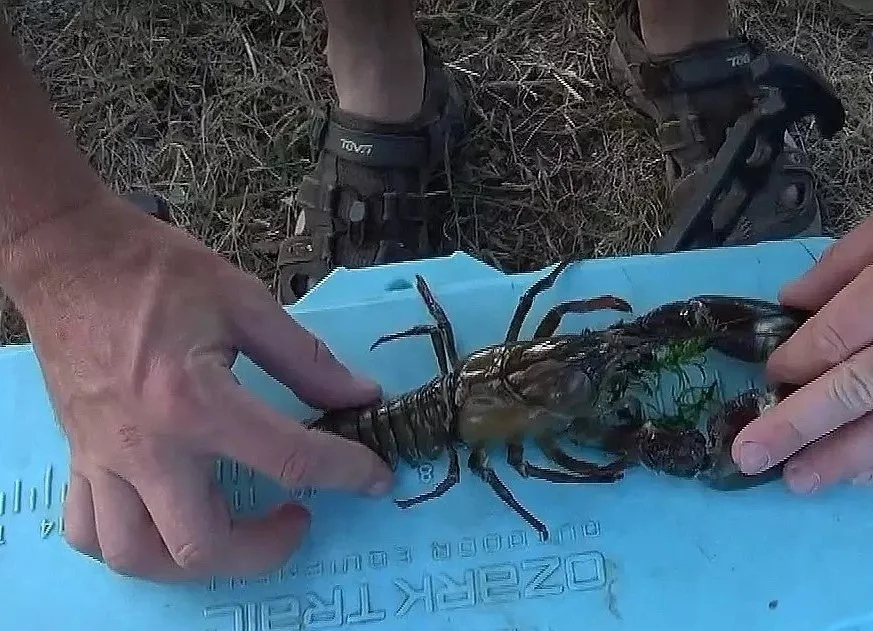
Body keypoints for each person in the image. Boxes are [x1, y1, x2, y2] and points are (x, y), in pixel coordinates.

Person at [0, 2, 865, 585]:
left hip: (473, 396)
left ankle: (686, 34)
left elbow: (592, 336)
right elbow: (569, 453)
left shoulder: (576, 346)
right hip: (420, 424)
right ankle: (381, 74)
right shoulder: (549, 426)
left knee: (627, 345)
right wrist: (49, 239)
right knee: (621, 399)